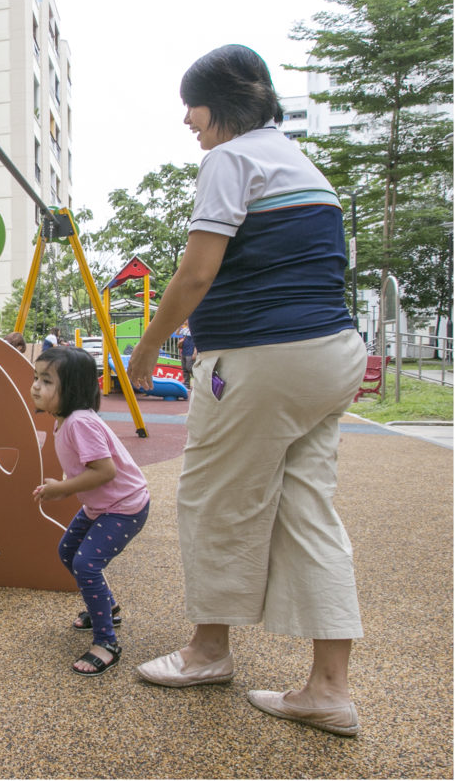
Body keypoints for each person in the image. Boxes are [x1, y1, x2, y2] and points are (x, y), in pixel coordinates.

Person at [126, 45, 367, 737]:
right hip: (332, 355)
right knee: (308, 511)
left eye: (192, 105)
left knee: (213, 497)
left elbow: (196, 273)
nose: (187, 120)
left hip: (263, 357)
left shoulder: (229, 160)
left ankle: (208, 650)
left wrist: (147, 347)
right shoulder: (303, 166)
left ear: (221, 106)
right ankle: (328, 687)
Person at [31, 345, 150, 676]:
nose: (37, 386)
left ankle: (106, 642)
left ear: (72, 389)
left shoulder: (79, 423)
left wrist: (62, 488)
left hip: (124, 507)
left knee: (86, 563)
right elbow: (85, 468)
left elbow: (105, 471)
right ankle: (107, 608)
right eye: (36, 378)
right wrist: (65, 483)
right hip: (102, 505)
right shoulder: (64, 420)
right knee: (68, 551)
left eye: (47, 381)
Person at [178, 320, 196, 387]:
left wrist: (195, 352)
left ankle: (198, 379)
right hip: (184, 351)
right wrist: (180, 325)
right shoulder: (185, 330)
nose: (185, 321)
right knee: (184, 368)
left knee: (189, 367)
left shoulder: (194, 330)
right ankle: (186, 383)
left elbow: (196, 342)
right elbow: (177, 333)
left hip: (190, 352)